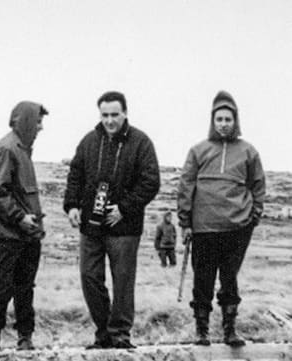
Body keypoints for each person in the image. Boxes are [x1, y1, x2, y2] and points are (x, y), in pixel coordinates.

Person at [64, 91, 159, 349]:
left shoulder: (141, 143)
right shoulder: (89, 141)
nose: (109, 120)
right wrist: (72, 205)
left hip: (124, 227)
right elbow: (75, 174)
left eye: (114, 115)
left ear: (125, 113)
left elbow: (151, 182)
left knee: (123, 281)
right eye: (104, 115)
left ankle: (119, 335)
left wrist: (125, 208)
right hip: (91, 226)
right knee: (89, 277)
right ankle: (104, 331)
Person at [178, 90, 265, 347]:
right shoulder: (198, 151)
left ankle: (230, 330)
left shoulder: (248, 151)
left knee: (229, 278)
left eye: (228, 119)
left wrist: (254, 215)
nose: (224, 124)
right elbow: (186, 186)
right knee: (202, 278)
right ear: (212, 121)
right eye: (219, 119)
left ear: (235, 121)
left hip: (236, 227)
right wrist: (185, 222)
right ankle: (201, 331)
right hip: (203, 227)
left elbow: (258, 185)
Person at [0, 101, 47, 351]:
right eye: (38, 121)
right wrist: (20, 217)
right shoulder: (7, 149)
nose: (40, 128)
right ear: (27, 121)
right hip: (11, 233)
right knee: (5, 284)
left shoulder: (21, 149)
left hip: (28, 233)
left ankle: (24, 337)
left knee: (24, 287)